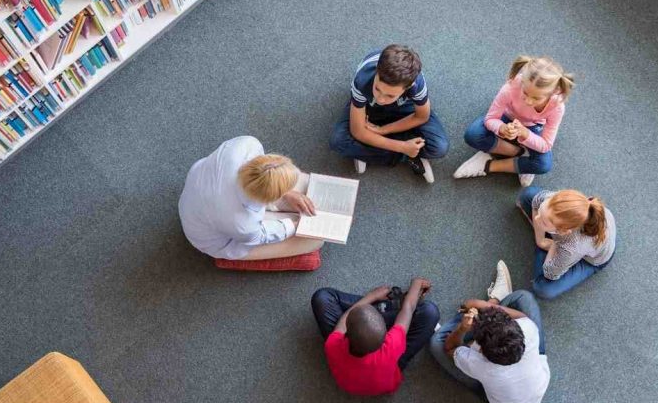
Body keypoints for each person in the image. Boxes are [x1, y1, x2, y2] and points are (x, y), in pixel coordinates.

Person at [429, 261, 550, 403]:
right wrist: (482, 305)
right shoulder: (528, 329)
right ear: (516, 328)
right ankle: (492, 302)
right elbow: (523, 317)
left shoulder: (478, 364)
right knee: (523, 297)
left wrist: (462, 328)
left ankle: (477, 312)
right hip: (538, 389)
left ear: (480, 349)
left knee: (436, 343)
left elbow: (449, 348)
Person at [178, 136, 324, 260]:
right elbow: (263, 234)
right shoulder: (243, 225)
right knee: (314, 242)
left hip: (203, 193)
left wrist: (288, 192)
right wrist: (295, 225)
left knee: (305, 186)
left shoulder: (246, 145)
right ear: (269, 198)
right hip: (218, 237)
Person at [329, 44, 449, 184]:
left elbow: (422, 116)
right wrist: (403, 147)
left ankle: (368, 149)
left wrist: (381, 130)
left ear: (408, 87)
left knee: (440, 147)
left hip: (404, 107)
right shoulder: (362, 80)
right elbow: (358, 131)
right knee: (337, 141)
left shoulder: (417, 84)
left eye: (389, 95)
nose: (380, 99)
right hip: (369, 107)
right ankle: (409, 155)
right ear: (376, 73)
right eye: (377, 89)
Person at [453, 55, 575, 187]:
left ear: (553, 92)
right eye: (525, 93)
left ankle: (488, 165)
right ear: (522, 81)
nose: (528, 101)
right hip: (507, 117)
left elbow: (546, 145)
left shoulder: (557, 106)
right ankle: (520, 153)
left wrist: (525, 134)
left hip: (533, 127)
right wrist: (501, 128)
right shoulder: (511, 87)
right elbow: (491, 118)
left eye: (536, 98)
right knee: (473, 135)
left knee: (543, 165)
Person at [311, 278, 439, 396]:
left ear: (346, 334)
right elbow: (408, 309)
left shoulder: (333, 344)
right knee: (430, 312)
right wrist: (416, 284)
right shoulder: (390, 346)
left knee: (322, 297)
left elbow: (345, 319)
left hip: (350, 383)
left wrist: (372, 296)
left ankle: (378, 309)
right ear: (385, 337)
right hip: (389, 371)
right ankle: (385, 311)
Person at [518, 187, 616, 299]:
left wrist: (555, 244)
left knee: (542, 289)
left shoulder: (571, 248)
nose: (536, 218)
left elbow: (550, 273)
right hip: (574, 239)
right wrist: (540, 241)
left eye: (543, 221)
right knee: (528, 194)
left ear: (563, 231)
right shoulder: (549, 199)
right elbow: (537, 202)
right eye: (540, 212)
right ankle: (548, 241)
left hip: (594, 258)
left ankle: (552, 249)